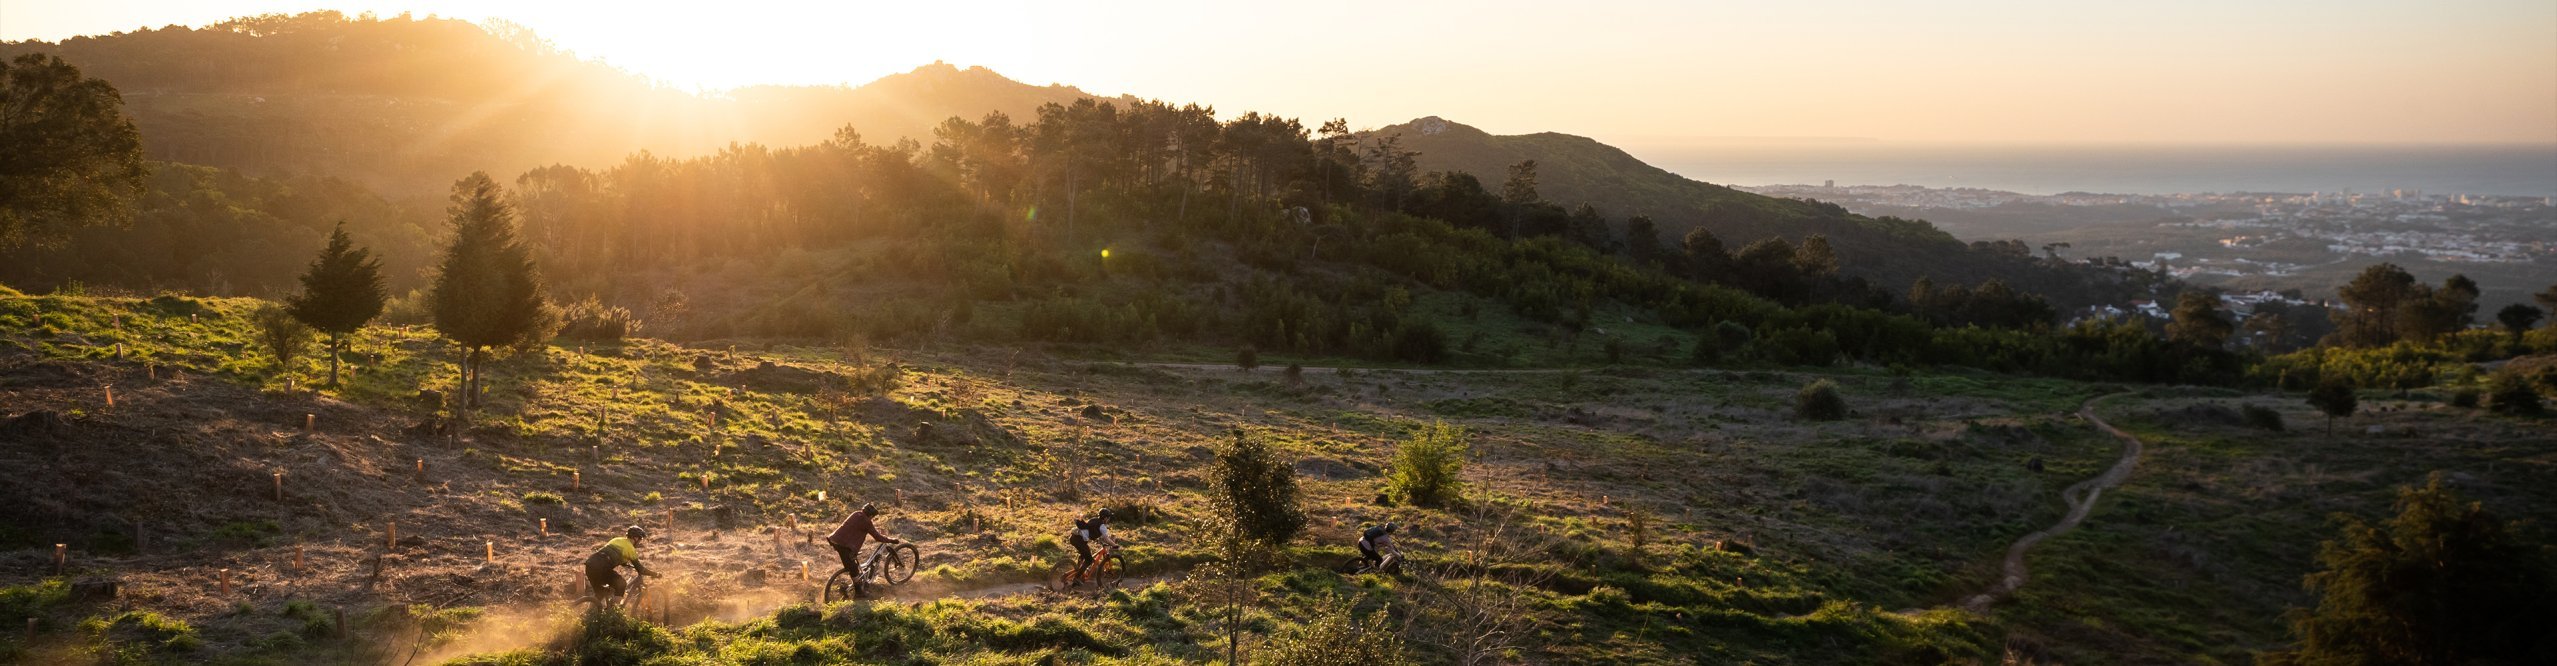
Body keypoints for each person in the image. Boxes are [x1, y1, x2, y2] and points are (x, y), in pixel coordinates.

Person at [826, 502, 901, 583]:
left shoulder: (856, 513)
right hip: (844, 545)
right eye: (872, 517)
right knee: (854, 569)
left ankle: (856, 581)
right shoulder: (867, 521)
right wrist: (891, 540)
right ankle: (859, 592)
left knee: (850, 566)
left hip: (835, 540)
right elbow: (877, 537)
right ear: (871, 516)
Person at [585, 526, 655, 607]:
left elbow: (610, 553)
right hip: (601, 568)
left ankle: (588, 614)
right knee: (621, 584)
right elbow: (640, 569)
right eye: (640, 539)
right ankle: (614, 612)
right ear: (635, 538)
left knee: (600, 593)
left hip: (590, 565)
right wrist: (655, 574)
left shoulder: (617, 539)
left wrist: (623, 562)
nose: (639, 542)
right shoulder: (630, 548)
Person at [1065, 507, 1118, 585]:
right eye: (1108, 517)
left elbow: (1090, 529)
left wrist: (1096, 539)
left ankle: (1077, 571)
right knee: (1089, 560)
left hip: (1074, 537)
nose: (1109, 519)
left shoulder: (1094, 519)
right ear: (1106, 518)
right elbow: (1106, 539)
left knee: (1085, 553)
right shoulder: (1102, 526)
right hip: (1080, 540)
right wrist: (1115, 545)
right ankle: (1076, 578)